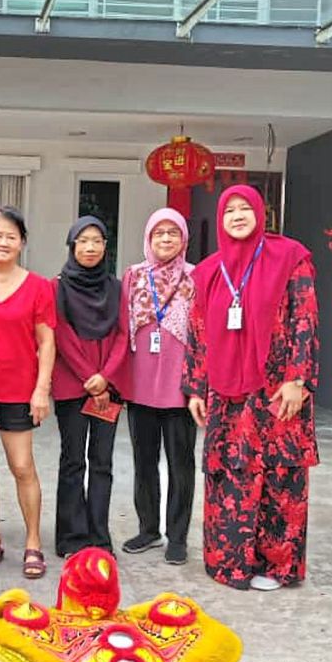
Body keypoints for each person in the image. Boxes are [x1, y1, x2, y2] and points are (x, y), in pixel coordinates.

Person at [183, 185, 319, 591]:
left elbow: (304, 318)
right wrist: (195, 387)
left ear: (261, 214)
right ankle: (231, 564)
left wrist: (299, 379)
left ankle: (276, 566)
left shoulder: (290, 257)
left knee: (281, 475)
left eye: (246, 208)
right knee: (230, 474)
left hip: (278, 389)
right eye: (230, 210)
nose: (238, 215)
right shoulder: (208, 270)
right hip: (227, 395)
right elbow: (198, 332)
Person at [0, 206, 56, 579]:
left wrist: (41, 389)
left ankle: (33, 542)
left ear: (22, 242)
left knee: (22, 467)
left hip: (20, 390)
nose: (3, 242)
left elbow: (47, 342)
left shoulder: (38, 286)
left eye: (11, 236)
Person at [119, 208, 197, 566]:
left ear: (183, 239)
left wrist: (199, 384)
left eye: (173, 233)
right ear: (148, 239)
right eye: (158, 233)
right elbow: (122, 328)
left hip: (180, 388)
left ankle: (177, 537)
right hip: (140, 386)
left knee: (181, 463)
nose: (165, 239)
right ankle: (148, 529)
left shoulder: (196, 277)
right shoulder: (134, 276)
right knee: (143, 461)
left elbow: (204, 333)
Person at [51, 216, 126, 559]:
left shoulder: (116, 287)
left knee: (102, 462)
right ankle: (71, 537)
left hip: (108, 389)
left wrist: (106, 377)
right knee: (72, 461)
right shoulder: (59, 286)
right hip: (72, 385)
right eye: (83, 241)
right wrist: (89, 376)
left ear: (105, 246)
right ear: (72, 246)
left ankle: (99, 536)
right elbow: (62, 334)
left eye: (97, 240)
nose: (90, 247)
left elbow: (124, 334)